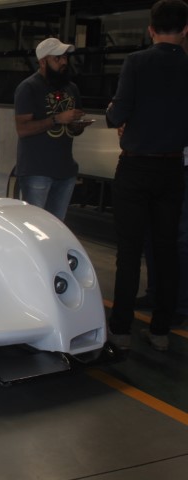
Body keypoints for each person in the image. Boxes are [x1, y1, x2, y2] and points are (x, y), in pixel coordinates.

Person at [105, 0, 188, 351]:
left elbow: (117, 114)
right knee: (166, 251)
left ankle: (121, 331)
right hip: (173, 169)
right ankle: (160, 331)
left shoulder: (137, 62)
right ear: (185, 30)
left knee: (129, 251)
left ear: (151, 29)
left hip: (136, 168)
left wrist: (116, 113)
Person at [14, 37, 91, 221]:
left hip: (66, 171)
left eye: (65, 57)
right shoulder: (28, 87)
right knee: (37, 225)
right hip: (37, 171)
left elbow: (73, 129)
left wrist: (76, 125)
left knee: (57, 226)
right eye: (57, 58)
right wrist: (57, 119)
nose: (64, 62)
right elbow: (22, 129)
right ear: (43, 62)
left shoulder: (71, 88)